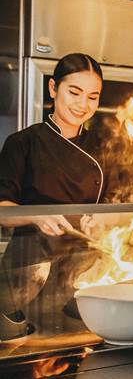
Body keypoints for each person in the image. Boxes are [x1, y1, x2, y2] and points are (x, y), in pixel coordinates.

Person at [0, 53, 108, 315]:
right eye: (74, 92)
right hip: (28, 269)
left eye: (93, 97)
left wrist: (104, 220)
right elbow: (2, 209)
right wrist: (37, 216)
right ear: (53, 88)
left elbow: (118, 204)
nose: (83, 104)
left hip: (85, 269)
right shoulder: (22, 143)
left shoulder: (104, 146)